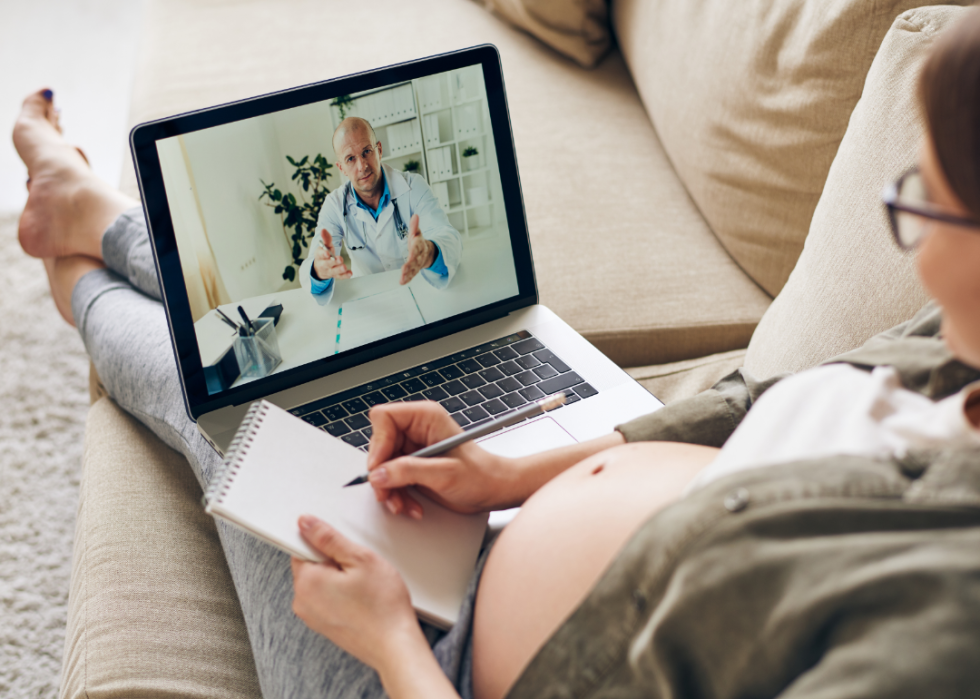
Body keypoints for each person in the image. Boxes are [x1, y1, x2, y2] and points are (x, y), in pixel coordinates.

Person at [12, 8, 980, 697]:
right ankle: (93, 221)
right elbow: (753, 405)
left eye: (919, 198)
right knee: (260, 335)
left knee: (230, 416)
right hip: (496, 507)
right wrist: (507, 466)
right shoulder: (949, 352)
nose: (904, 234)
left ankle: (80, 265)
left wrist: (390, 642)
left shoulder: (937, 638)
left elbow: (426, 257)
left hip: (439, 662)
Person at [298, 116, 462, 305]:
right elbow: (311, 265)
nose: (362, 166)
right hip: (370, 301)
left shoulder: (413, 186)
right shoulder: (334, 205)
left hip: (417, 290)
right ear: (341, 167)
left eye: (367, 151)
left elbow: (448, 236)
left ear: (379, 150)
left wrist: (430, 251)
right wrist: (319, 270)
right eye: (350, 159)